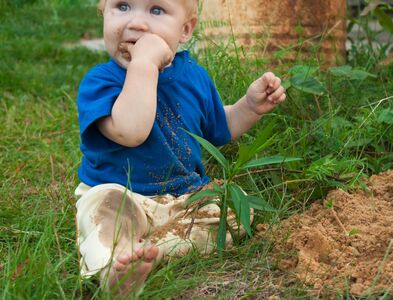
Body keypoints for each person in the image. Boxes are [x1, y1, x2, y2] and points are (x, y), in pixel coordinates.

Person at [75, 0, 286, 296]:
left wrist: (248, 107)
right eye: (122, 6)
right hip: (121, 193)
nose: (136, 23)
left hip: (185, 197)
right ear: (104, 13)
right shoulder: (101, 82)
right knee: (102, 216)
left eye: (156, 10)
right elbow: (131, 131)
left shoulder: (194, 77)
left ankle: (156, 250)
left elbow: (217, 128)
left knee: (235, 211)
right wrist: (145, 64)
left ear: (185, 29)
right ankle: (115, 265)